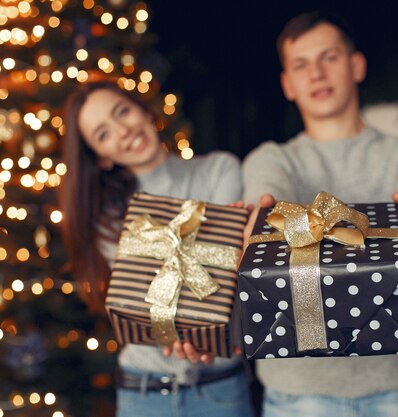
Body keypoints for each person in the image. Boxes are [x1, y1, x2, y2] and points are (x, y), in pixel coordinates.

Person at [242, 11, 398, 417]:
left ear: (357, 66)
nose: (317, 74)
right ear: (287, 84)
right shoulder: (272, 158)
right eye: (301, 65)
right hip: (296, 391)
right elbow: (266, 198)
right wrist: (261, 215)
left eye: (329, 58)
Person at [60, 81, 254, 417]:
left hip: (222, 389)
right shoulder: (105, 218)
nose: (123, 131)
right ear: (102, 158)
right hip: (143, 394)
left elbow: (226, 277)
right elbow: (149, 300)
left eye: (122, 112)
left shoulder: (219, 169)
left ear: (143, 110)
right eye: (103, 134)